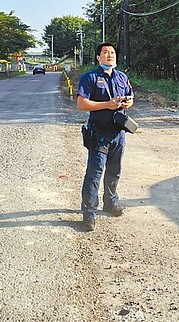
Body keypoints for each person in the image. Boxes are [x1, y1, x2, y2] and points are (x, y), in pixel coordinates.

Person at [76, 42, 134, 232]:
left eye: (113, 53)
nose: (110, 55)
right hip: (99, 133)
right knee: (94, 174)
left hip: (118, 133)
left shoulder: (122, 77)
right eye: (106, 52)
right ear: (98, 57)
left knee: (114, 171)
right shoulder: (90, 77)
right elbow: (82, 104)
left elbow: (131, 97)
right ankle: (89, 214)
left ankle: (110, 202)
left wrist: (126, 103)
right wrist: (107, 105)